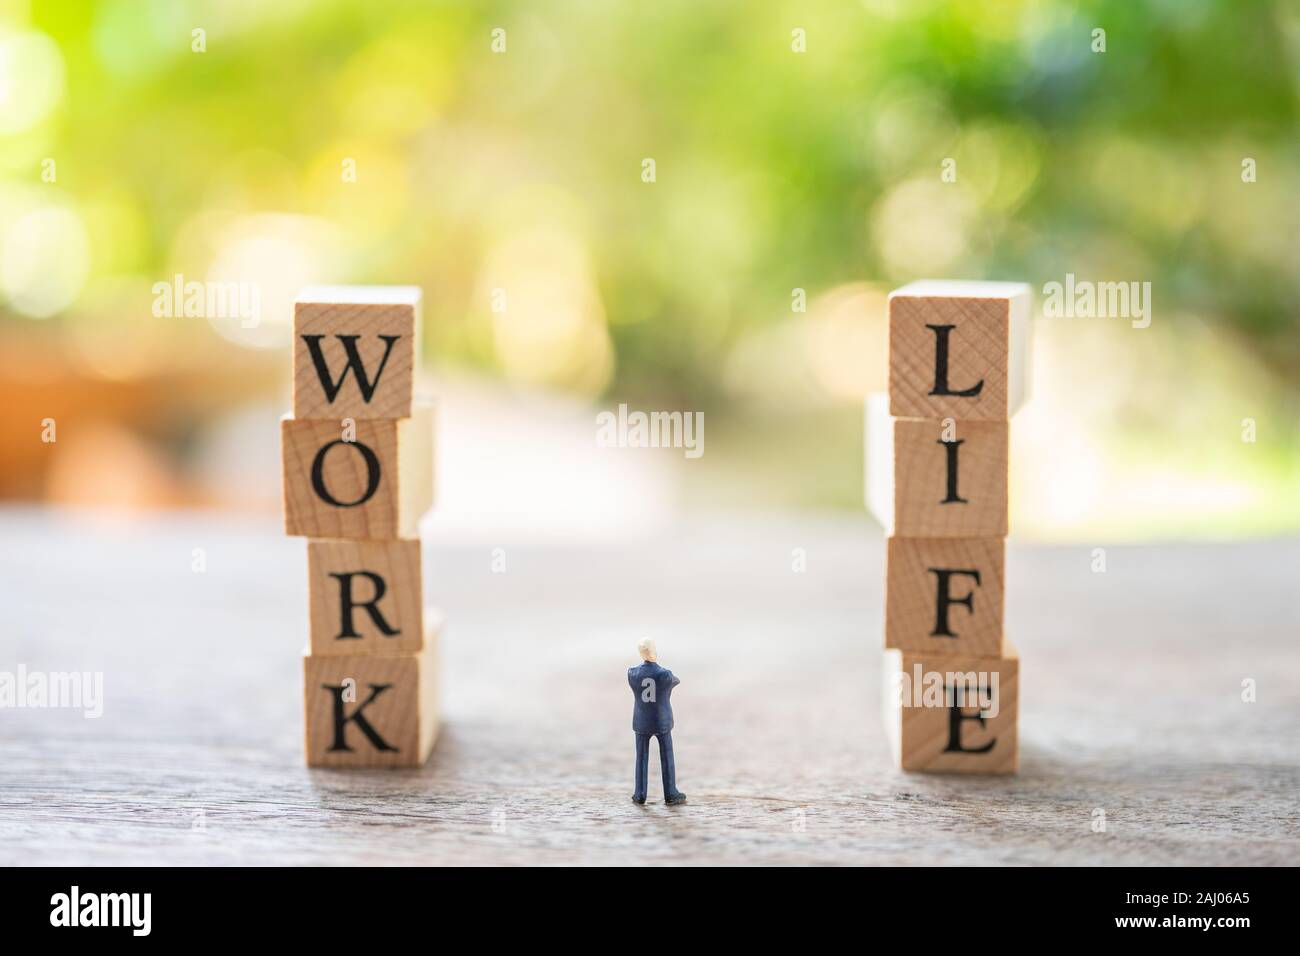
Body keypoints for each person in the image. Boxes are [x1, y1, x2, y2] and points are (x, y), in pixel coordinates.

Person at [627, 638, 686, 805]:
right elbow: (675, 680)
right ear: (655, 651)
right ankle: (671, 792)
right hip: (661, 721)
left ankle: (639, 793)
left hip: (641, 721)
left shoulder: (632, 673)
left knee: (641, 757)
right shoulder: (664, 674)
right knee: (666, 756)